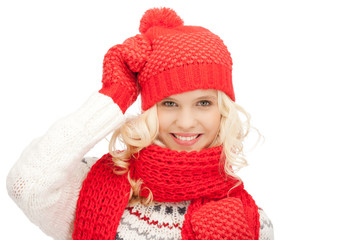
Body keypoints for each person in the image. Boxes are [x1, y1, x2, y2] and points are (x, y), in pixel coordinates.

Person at [6, 7, 274, 240]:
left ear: (223, 111)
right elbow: (26, 185)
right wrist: (115, 96)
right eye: (169, 103)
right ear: (149, 110)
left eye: (203, 103)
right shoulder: (93, 184)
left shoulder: (253, 223)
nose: (186, 121)